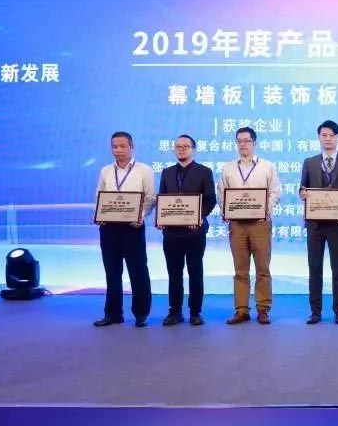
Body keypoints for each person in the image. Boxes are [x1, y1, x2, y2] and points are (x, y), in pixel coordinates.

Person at [217, 127, 281, 325]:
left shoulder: (267, 166)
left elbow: (275, 192)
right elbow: (221, 193)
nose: (242, 144)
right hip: (237, 225)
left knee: (262, 268)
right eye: (239, 141)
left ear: (255, 142)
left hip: (260, 224)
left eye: (246, 141)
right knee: (240, 269)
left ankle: (263, 309)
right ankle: (241, 310)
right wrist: (226, 210)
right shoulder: (228, 168)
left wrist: (262, 210)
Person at [93, 131, 156, 328]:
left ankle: (141, 313)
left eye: (122, 146)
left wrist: (141, 215)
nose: (118, 150)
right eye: (114, 146)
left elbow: (150, 198)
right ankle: (113, 314)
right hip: (109, 228)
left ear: (132, 147)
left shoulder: (144, 170)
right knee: (112, 272)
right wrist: (100, 215)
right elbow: (99, 196)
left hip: (133, 228)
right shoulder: (105, 171)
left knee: (138, 271)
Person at [299, 120, 338, 325]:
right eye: (324, 135)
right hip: (315, 224)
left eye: (331, 135)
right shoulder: (309, 162)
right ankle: (315, 311)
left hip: (337, 224)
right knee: (314, 269)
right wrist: (303, 193)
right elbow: (302, 188)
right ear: (319, 137)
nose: (327, 139)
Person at [157, 135, 217, 327]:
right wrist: (160, 218)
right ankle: (175, 311)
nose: (181, 149)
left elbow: (210, 200)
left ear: (193, 149)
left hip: (194, 232)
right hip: (171, 233)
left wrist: (199, 217)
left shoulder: (204, 172)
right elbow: (162, 199)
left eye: (185, 146)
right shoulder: (167, 172)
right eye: (178, 146)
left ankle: (195, 312)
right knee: (174, 273)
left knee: (195, 272)